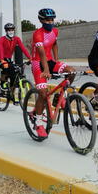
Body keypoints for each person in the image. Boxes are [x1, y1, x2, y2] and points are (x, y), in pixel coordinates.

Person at [30, 8, 76, 138]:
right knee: (43, 94)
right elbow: (41, 53)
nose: (50, 22)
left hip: (49, 60)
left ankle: (58, 97)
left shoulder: (55, 31)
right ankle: (38, 123)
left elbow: (54, 44)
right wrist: (46, 70)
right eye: (47, 20)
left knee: (71, 72)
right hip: (38, 64)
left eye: (52, 19)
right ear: (41, 20)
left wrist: (56, 60)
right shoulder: (37, 34)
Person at [0, 22, 31, 94]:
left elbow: (23, 48)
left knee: (14, 74)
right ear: (6, 31)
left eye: (12, 30)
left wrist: (30, 58)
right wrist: (2, 60)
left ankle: (11, 92)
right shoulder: (1, 39)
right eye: (8, 30)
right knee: (5, 69)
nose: (10, 31)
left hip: (9, 59)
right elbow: (1, 50)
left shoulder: (16, 39)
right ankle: (2, 84)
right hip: (1, 58)